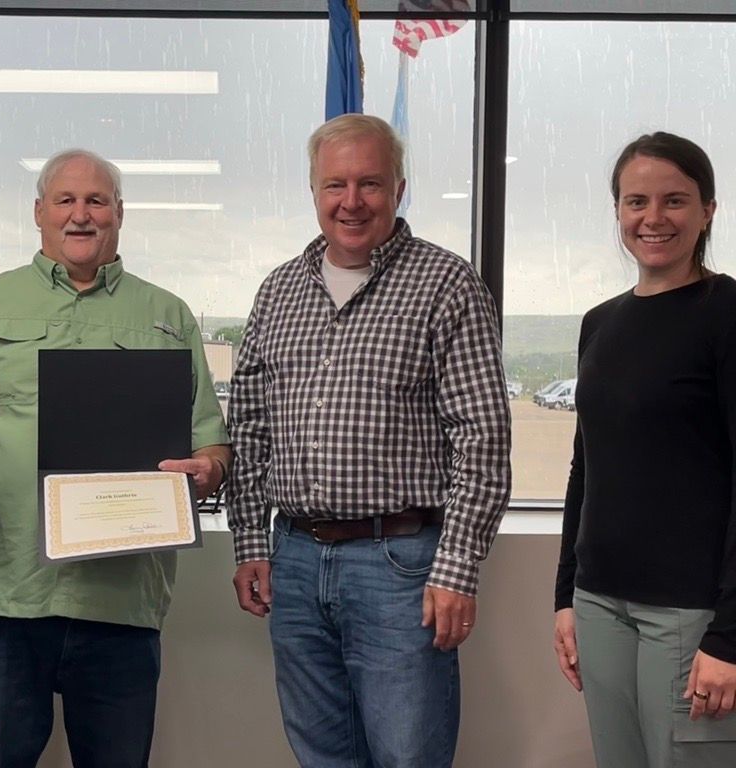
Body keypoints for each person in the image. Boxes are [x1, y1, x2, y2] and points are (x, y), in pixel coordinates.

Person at [0, 148, 230, 768]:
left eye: (96, 201)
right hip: (3, 599)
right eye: (66, 201)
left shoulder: (167, 315)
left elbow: (210, 442)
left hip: (121, 600)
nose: (81, 216)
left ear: (119, 214)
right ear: (39, 212)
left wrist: (210, 468)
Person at [228, 113, 511, 767]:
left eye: (370, 184)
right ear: (313, 192)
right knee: (320, 753)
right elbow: (247, 424)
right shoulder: (278, 292)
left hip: (400, 565)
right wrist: (249, 542)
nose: (351, 201)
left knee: (407, 754)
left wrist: (457, 570)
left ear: (399, 188)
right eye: (335, 185)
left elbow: (483, 439)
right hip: (293, 559)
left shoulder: (446, 285)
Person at [554, 132, 736, 767]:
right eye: (636, 202)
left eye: (675, 201)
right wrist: (565, 596)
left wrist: (730, 636)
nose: (653, 218)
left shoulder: (727, 312)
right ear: (619, 212)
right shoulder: (600, 323)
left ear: (709, 209)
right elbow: (587, 466)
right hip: (599, 603)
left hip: (689, 613)